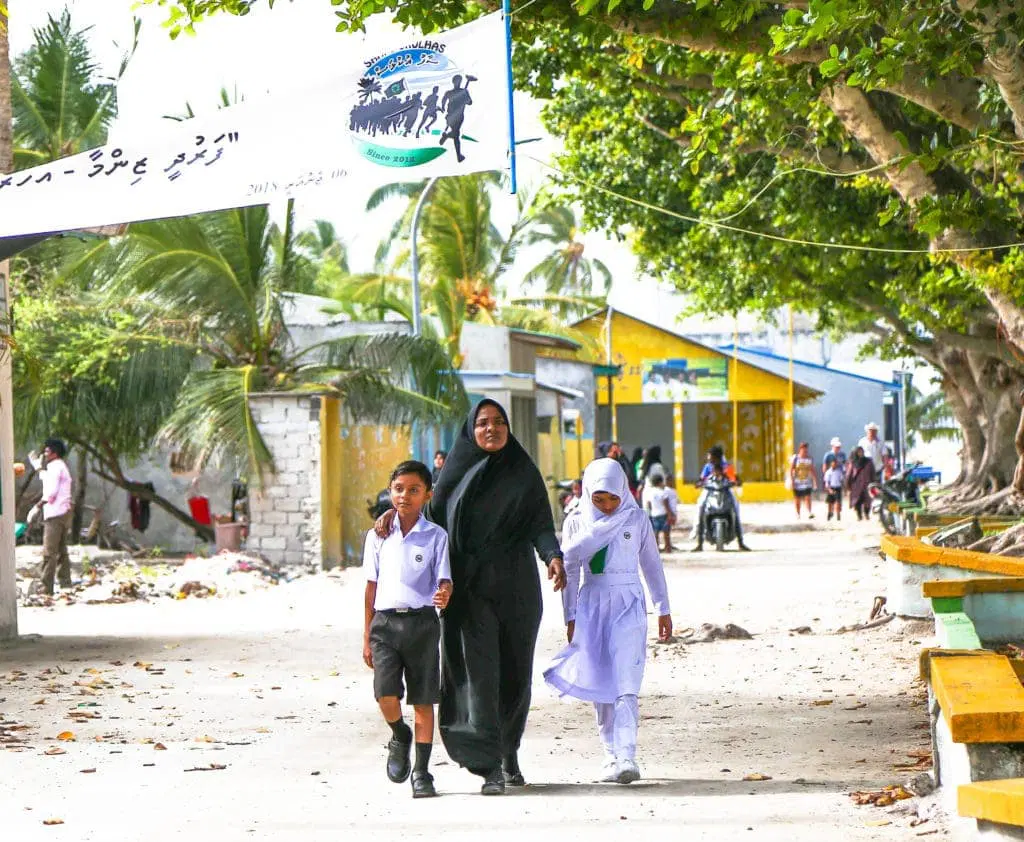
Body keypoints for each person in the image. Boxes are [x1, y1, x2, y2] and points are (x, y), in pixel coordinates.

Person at [373, 400, 565, 795]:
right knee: (478, 677)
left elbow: (540, 524)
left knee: (515, 676)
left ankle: (509, 752)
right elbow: (426, 519)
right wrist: (393, 515)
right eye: (483, 423)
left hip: (517, 590)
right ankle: (488, 764)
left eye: (499, 422)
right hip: (467, 592)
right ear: (470, 430)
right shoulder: (453, 474)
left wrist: (553, 556)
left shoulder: (524, 472)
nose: (491, 428)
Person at [543, 458, 672, 785]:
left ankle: (627, 755)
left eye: (613, 498)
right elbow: (571, 570)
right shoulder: (577, 522)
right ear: (588, 493)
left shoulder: (636, 519)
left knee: (626, 680)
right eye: (599, 499)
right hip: (592, 604)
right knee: (601, 681)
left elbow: (651, 565)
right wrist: (570, 615)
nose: (607, 506)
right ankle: (611, 754)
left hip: (629, 603)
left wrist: (663, 607)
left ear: (623, 491)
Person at [363, 460, 453, 799]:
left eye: (414, 490)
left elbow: (444, 578)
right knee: (384, 694)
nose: (405, 496)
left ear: (427, 495)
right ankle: (400, 734)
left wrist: (445, 592)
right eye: (398, 489)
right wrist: (367, 635)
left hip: (422, 625)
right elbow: (370, 587)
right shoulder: (378, 535)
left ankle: (422, 772)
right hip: (385, 625)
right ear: (390, 491)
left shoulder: (436, 536)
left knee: (423, 700)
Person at [27, 438, 73, 596]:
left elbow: (50, 492)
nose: (44, 454)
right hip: (63, 512)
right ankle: (66, 583)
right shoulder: (59, 466)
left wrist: (37, 507)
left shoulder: (55, 467)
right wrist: (39, 468)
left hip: (55, 513)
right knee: (61, 550)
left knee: (49, 552)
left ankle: (46, 587)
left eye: (47, 451)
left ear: (55, 453)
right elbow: (47, 479)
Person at [693, 451, 750, 551]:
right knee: (701, 506)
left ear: (716, 457)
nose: (708, 458)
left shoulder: (727, 467)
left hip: (725, 490)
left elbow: (735, 479)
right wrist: (699, 483)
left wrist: (736, 482)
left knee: (735, 509)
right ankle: (699, 541)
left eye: (710, 456)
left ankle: (740, 542)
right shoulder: (708, 467)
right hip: (710, 491)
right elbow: (701, 479)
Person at [642, 473, 671, 552]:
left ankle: (656, 549)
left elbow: (649, 504)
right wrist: (670, 514)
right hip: (663, 514)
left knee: (656, 532)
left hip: (654, 515)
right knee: (666, 533)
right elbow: (666, 505)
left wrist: (651, 512)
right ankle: (668, 548)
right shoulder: (663, 492)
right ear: (660, 482)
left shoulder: (650, 493)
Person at [846, 446, 877, 521]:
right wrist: (848, 486)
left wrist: (874, 483)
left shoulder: (868, 461)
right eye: (859, 452)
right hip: (856, 484)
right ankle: (859, 515)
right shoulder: (853, 463)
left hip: (867, 483)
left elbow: (872, 473)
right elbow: (849, 474)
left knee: (867, 500)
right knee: (857, 501)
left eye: (862, 451)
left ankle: (866, 514)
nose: (861, 453)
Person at [789, 441, 817, 519]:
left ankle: (809, 512)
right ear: (800, 449)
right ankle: (798, 513)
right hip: (797, 482)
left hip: (807, 482)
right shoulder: (795, 458)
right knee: (797, 499)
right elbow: (791, 469)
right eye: (803, 449)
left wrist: (814, 481)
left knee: (808, 497)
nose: (805, 451)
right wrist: (792, 481)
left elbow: (812, 470)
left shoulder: (809, 458)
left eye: (806, 449)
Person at [664, 473, 680, 552]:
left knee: (669, 529)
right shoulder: (666, 490)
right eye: (671, 480)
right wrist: (670, 513)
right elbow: (666, 502)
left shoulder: (673, 490)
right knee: (666, 530)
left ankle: (669, 544)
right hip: (669, 513)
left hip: (673, 511)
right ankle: (667, 545)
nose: (672, 482)